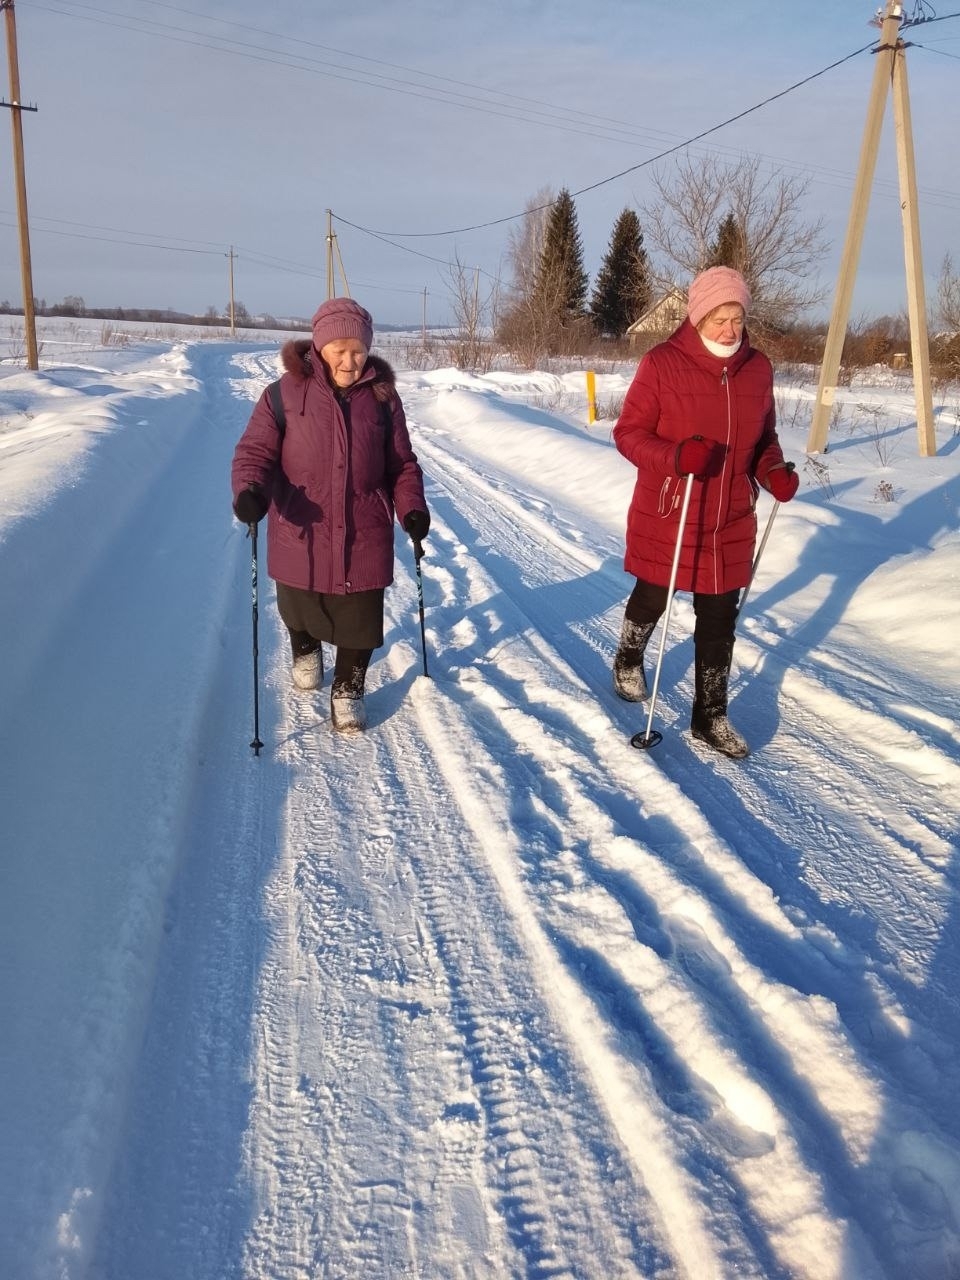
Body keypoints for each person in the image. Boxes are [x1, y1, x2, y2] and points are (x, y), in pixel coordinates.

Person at [611, 266, 799, 759]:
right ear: (698, 316)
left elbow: (764, 439)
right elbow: (628, 434)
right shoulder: (662, 363)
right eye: (720, 318)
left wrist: (772, 470)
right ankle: (629, 657)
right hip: (671, 510)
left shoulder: (758, 368)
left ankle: (710, 714)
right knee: (652, 596)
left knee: (720, 619)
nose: (730, 330)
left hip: (731, 516)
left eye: (737, 318)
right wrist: (674, 458)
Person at [231, 297, 430, 734]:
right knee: (298, 608)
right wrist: (250, 491)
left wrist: (412, 507)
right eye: (339, 349)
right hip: (300, 526)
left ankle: (349, 686)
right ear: (318, 348)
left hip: (364, 530)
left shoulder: (382, 398)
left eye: (358, 350)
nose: (349, 360)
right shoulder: (281, 395)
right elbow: (255, 452)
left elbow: (401, 464)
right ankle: (304, 648)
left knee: (360, 618)